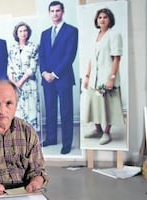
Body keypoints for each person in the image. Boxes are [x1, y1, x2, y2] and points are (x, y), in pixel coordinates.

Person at [39, 1, 78, 154]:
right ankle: (51, 138)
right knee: (50, 109)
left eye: (58, 10)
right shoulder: (45, 33)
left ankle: (67, 143)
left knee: (66, 110)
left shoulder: (72, 31)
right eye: (52, 11)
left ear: (63, 12)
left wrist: (55, 74)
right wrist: (44, 73)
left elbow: (70, 55)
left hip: (63, 77)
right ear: (49, 13)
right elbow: (41, 55)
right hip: (46, 78)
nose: (55, 13)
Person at [82, 8, 123, 145]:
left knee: (109, 105)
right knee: (94, 104)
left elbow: (117, 59)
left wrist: (111, 78)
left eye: (105, 17)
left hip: (107, 76)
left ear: (110, 19)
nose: (102, 20)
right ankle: (98, 129)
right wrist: (87, 76)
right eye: (100, 17)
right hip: (94, 77)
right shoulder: (96, 36)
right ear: (97, 20)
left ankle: (106, 132)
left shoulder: (114, 35)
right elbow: (91, 59)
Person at [7, 21, 40, 132]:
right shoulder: (12, 48)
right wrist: (13, 83)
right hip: (15, 85)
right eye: (20, 31)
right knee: (18, 111)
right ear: (16, 33)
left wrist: (20, 82)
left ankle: (32, 139)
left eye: (25, 30)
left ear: (28, 32)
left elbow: (33, 68)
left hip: (29, 84)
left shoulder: (34, 47)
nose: (23, 33)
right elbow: (10, 66)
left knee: (31, 111)